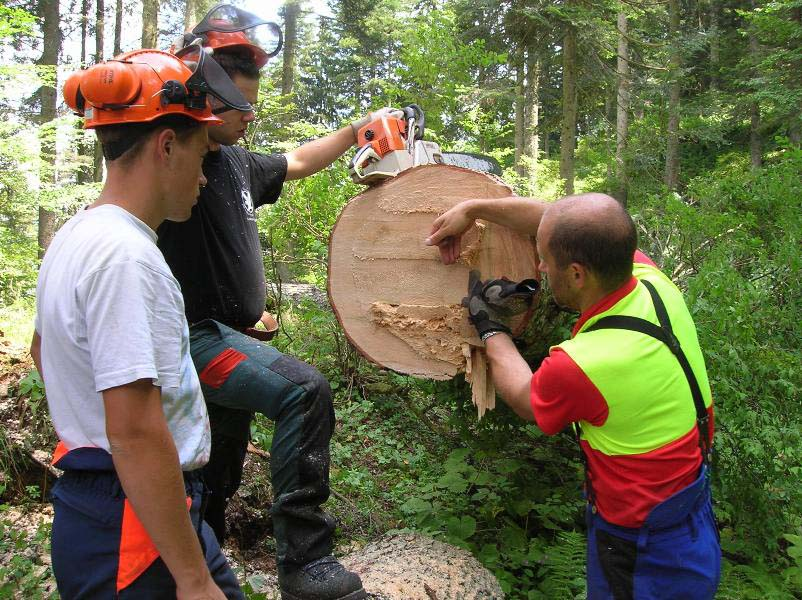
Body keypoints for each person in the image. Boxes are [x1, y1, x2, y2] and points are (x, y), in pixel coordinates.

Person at [158, 5, 390, 599]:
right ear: (201, 95)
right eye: (235, 104)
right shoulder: (177, 158)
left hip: (231, 335)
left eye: (252, 104)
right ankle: (305, 562)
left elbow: (301, 161)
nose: (247, 117)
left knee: (215, 472)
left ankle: (200, 566)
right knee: (303, 391)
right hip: (196, 338)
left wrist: (360, 130)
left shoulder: (235, 162)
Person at [31, 48, 252, 598]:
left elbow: (43, 352)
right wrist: (192, 577)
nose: (205, 177)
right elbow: (133, 430)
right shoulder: (127, 258)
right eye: (202, 154)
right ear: (168, 145)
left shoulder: (76, 236)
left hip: (120, 507)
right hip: (131, 525)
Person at [426, 193, 721, 599]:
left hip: (643, 540)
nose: (541, 266)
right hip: (690, 502)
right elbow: (555, 218)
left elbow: (526, 398)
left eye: (545, 259)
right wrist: (471, 209)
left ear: (578, 273)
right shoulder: (650, 281)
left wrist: (491, 326)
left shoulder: (587, 362)